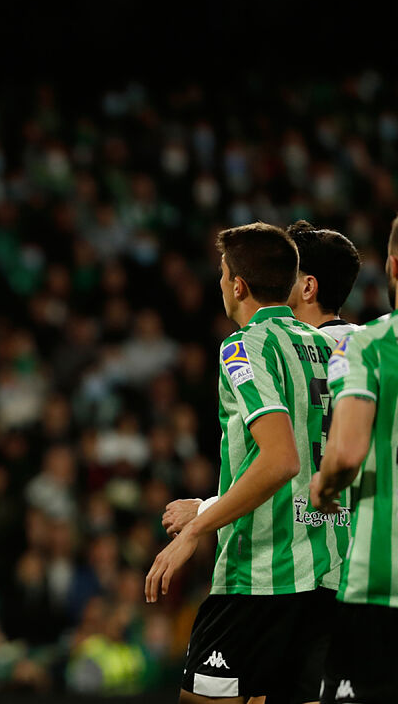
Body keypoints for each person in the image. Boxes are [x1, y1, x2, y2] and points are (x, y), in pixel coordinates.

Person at [145, 223, 343, 703]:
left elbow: (280, 461)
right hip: (324, 578)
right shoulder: (326, 347)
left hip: (256, 581)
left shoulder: (243, 346)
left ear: (238, 284)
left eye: (221, 274)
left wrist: (195, 530)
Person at [162, 221, 361, 536]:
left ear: (308, 287)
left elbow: (284, 465)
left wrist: (203, 512)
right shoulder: (368, 348)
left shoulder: (263, 349)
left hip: (313, 550)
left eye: (288, 269)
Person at [311, 216, 398, 704]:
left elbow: (345, 452)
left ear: (392, 265)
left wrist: (323, 489)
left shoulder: (362, 343)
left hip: (380, 582)